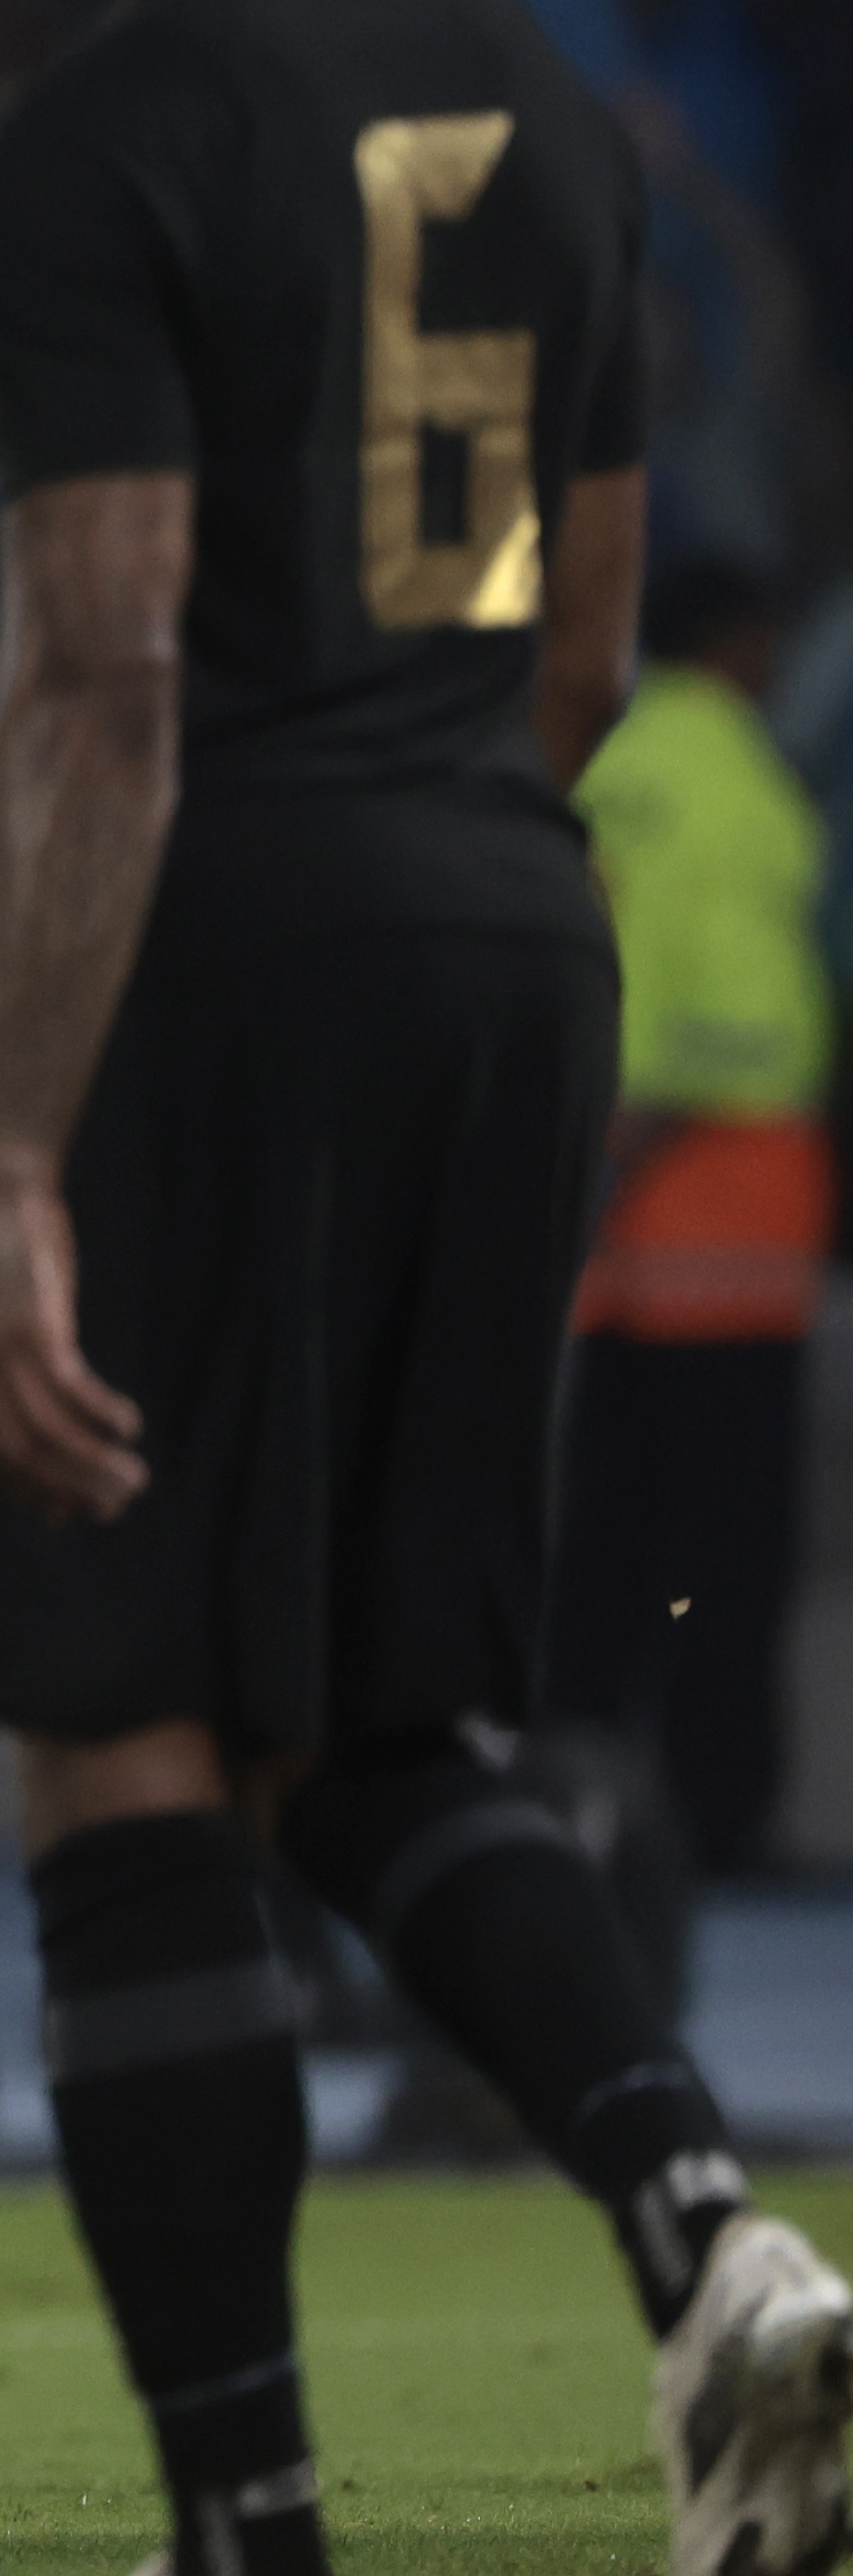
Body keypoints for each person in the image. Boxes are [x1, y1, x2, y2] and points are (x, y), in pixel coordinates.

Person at [0, 0, 852, 2576]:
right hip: (506, 911)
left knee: (119, 1727)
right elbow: (585, 638)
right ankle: (708, 2233)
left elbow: (99, 669)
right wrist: (437, 841)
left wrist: (18, 1154)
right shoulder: (548, 99)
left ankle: (246, 2528)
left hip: (232, 926)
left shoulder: (93, 132)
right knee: (384, 1716)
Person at [554, 559, 826, 1878]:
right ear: (744, 642)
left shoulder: (606, 763)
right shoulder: (737, 781)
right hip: (728, 1220)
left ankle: (568, 1789)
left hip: (617, 1228)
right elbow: (734, 1006)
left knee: (608, 1536)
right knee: (728, 1543)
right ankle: (722, 1815)